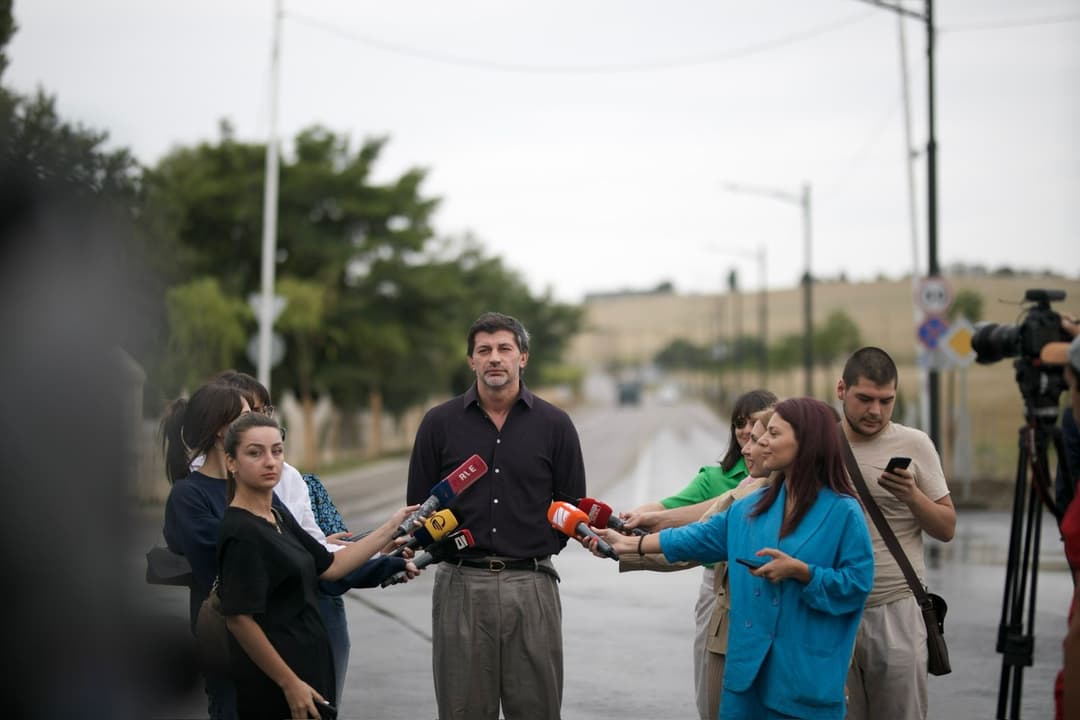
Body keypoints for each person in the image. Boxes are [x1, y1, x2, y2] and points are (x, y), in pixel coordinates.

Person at [593, 397, 875, 718]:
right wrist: (628, 545)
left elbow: (857, 585)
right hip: (747, 680)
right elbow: (696, 538)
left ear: (807, 442)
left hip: (805, 681)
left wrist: (804, 573)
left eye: (773, 433)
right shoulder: (749, 507)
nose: (760, 441)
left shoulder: (843, 513)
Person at [406, 311, 587, 720]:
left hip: (532, 584)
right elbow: (420, 509)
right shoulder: (439, 423)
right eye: (483, 350)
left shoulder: (556, 425)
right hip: (460, 585)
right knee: (462, 710)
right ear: (470, 360)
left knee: (536, 710)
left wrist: (529, 550)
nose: (494, 358)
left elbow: (570, 508)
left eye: (504, 349)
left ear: (523, 356)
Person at [211, 370, 404, 710]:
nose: (270, 462)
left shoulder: (278, 514)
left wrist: (392, 528)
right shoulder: (241, 531)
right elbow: (239, 619)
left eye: (277, 451)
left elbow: (329, 565)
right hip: (279, 683)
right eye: (255, 453)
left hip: (310, 665)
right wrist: (290, 684)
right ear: (231, 461)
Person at [619, 389, 777, 720]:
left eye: (758, 426)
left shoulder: (784, 486)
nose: (748, 433)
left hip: (769, 597)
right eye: (740, 425)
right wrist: (631, 531)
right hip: (722, 588)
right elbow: (687, 526)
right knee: (717, 690)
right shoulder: (723, 480)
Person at [837, 347, 956, 720]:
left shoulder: (915, 444)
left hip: (896, 611)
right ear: (842, 390)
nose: (876, 411)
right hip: (830, 610)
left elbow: (946, 528)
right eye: (865, 399)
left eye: (886, 401)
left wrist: (912, 496)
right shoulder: (817, 444)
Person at [162, 383, 252, 718]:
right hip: (227, 640)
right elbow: (225, 562)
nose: (255, 422)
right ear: (220, 430)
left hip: (272, 635)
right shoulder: (189, 495)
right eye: (245, 417)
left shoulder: (250, 485)